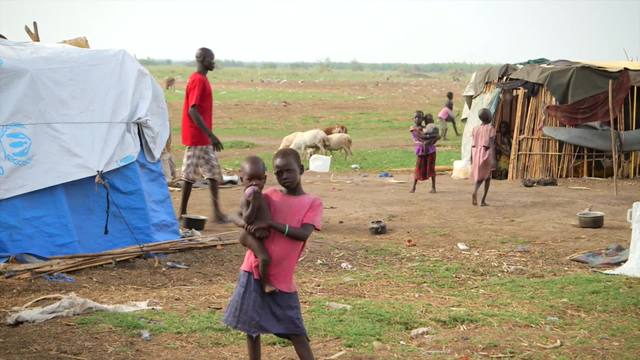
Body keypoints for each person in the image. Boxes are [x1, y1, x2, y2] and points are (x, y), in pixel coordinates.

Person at [224, 148, 323, 360]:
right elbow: (243, 219)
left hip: (282, 279)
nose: (284, 176)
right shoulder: (268, 195)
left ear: (302, 170)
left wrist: (271, 223)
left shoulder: (312, 202)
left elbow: (303, 233)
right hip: (254, 270)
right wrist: (250, 225)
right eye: (279, 172)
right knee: (251, 329)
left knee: (296, 331)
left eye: (289, 171)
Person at [179, 47, 227, 222]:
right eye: (211, 59)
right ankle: (182, 214)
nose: (213, 62)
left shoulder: (200, 79)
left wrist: (209, 136)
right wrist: (211, 135)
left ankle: (217, 213)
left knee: (213, 172)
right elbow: (193, 111)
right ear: (201, 58)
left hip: (203, 137)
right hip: (197, 136)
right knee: (189, 175)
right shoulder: (198, 80)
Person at [236, 156, 276, 293]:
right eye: (250, 180)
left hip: (257, 233)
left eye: (259, 179)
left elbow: (264, 216)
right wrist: (254, 203)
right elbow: (247, 219)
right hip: (248, 236)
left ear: (265, 179)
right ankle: (266, 284)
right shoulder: (246, 199)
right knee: (264, 258)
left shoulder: (262, 196)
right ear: (242, 180)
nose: (255, 183)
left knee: (265, 257)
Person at [471, 108, 496, 206]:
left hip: (476, 153)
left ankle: (476, 191)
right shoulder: (491, 129)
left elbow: (472, 143)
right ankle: (482, 200)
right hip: (486, 152)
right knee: (487, 177)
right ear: (488, 117)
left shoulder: (475, 128)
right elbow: (491, 144)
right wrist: (493, 158)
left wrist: (471, 157)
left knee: (480, 175)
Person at [410, 112, 440, 193]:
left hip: (430, 150)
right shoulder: (413, 128)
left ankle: (433, 187)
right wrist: (434, 137)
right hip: (421, 150)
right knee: (418, 168)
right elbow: (423, 136)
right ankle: (414, 187)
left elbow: (429, 136)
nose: (417, 119)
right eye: (415, 117)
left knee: (431, 168)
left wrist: (433, 138)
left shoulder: (426, 128)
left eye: (419, 117)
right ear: (413, 118)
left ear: (422, 119)